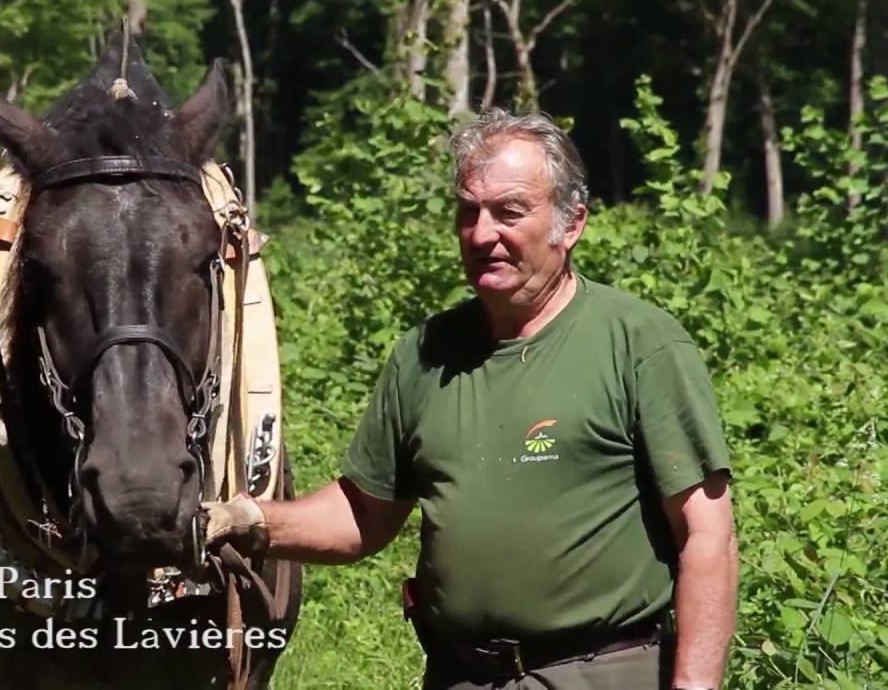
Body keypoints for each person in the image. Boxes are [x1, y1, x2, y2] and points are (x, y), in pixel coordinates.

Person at [203, 109, 738, 690]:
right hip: (460, 674)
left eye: (509, 212)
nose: (483, 234)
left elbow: (707, 535)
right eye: (469, 211)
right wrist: (248, 518)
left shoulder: (637, 343)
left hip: (599, 672)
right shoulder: (427, 352)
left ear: (571, 223)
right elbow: (363, 515)